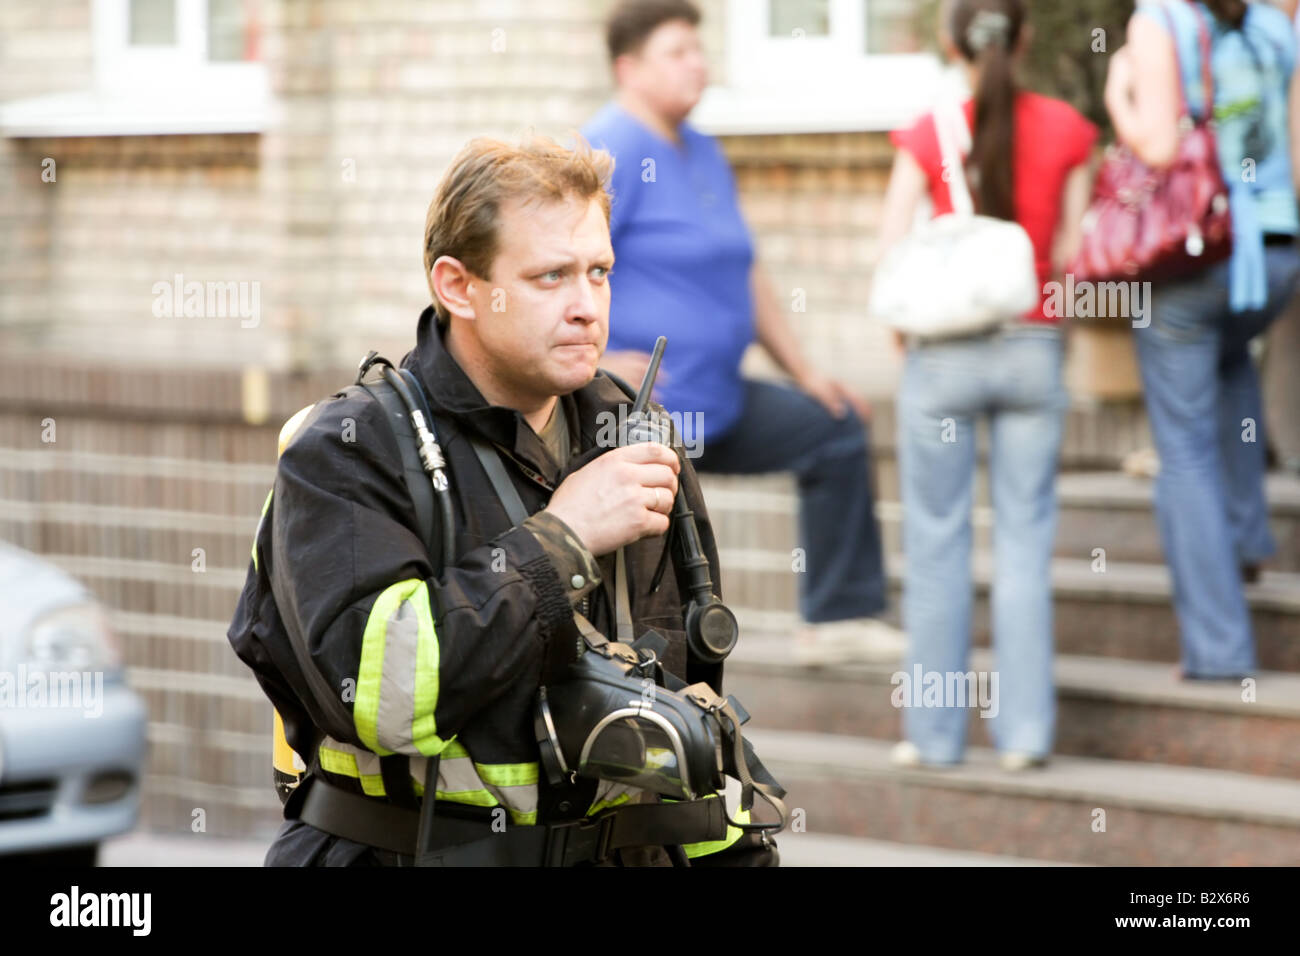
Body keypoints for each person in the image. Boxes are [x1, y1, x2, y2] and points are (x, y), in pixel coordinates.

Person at [226, 134, 777, 866]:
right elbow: (387, 698)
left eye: (600, 272)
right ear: (458, 286)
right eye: (552, 277)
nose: (587, 307)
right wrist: (565, 538)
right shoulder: (349, 449)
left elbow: (686, 711)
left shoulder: (634, 434)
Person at [583, 0, 902, 666]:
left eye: (700, 50)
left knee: (834, 427)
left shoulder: (701, 150)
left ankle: (838, 617)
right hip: (647, 412)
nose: (698, 65)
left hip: (719, 400)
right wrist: (596, 356)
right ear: (628, 67)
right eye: (678, 52)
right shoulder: (609, 150)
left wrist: (806, 373)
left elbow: (746, 271)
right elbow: (563, 265)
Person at [878, 0, 1097, 769]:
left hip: (943, 358)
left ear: (951, 41)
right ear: (1025, 37)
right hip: (1032, 350)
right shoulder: (1070, 128)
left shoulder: (929, 129)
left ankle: (935, 739)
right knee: (1024, 543)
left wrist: (907, 333)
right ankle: (1024, 736)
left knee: (936, 543)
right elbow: (1070, 252)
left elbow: (893, 243)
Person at [1104, 0, 1300, 678]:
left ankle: (1220, 650)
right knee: (1230, 362)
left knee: (1183, 451)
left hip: (1195, 254)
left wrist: (1118, 97)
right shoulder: (1279, 26)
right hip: (1274, 257)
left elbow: (1156, 146)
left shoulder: (1161, 19)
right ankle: (1245, 542)